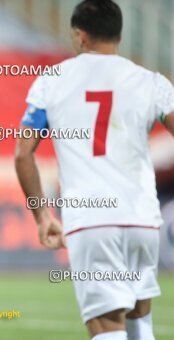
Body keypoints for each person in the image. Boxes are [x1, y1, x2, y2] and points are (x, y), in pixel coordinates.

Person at [15, 1, 174, 339]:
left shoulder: (51, 81)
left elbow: (23, 153)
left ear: (79, 34)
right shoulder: (151, 81)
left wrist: (43, 216)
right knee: (138, 320)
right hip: (143, 219)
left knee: (107, 327)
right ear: (119, 34)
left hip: (91, 222)